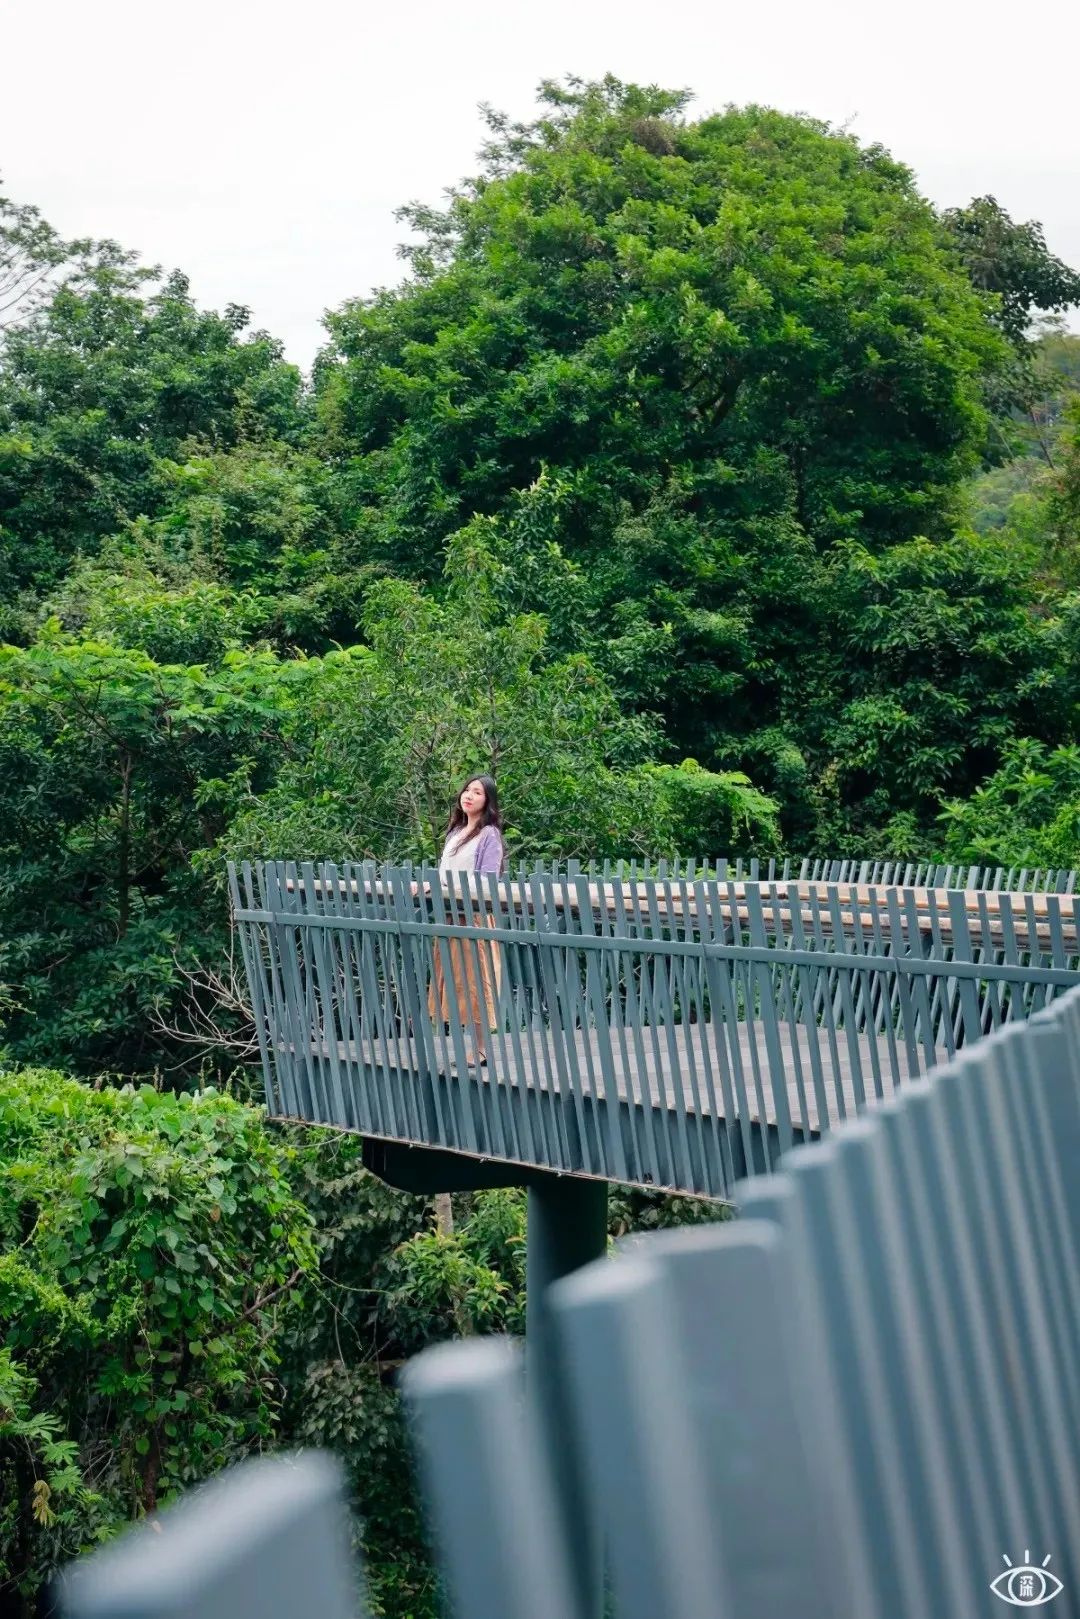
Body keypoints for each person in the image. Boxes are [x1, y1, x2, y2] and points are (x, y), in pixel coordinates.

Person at [429, 776, 506, 1064]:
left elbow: (487, 882)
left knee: (477, 981)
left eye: (478, 792)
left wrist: (447, 888)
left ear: (488, 801)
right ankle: (470, 1048)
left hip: (473, 916)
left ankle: (481, 1049)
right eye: (467, 790)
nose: (469, 796)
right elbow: (443, 874)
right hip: (451, 916)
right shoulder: (455, 833)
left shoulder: (489, 835)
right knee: (456, 980)